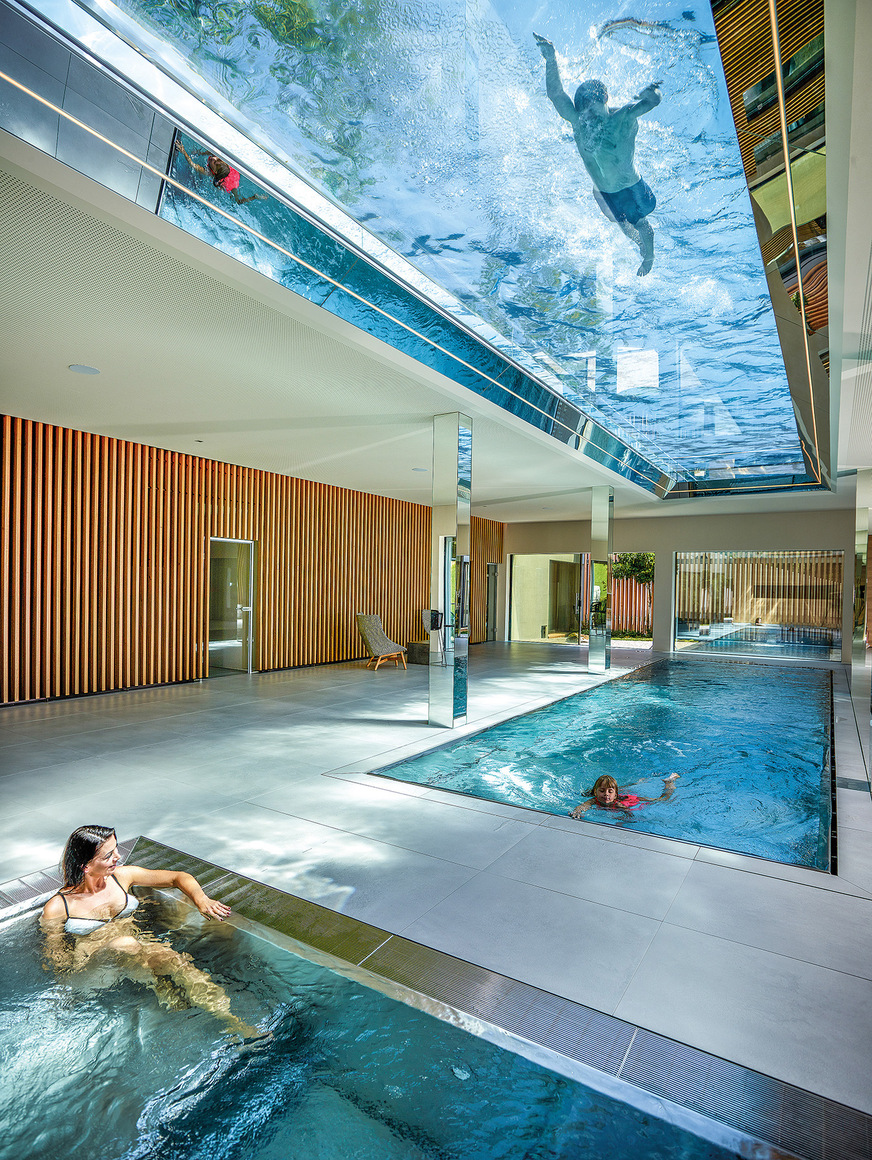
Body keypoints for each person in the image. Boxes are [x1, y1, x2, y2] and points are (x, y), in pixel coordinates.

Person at [41, 825, 260, 1038]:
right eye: (108, 855)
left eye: (116, 849)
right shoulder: (59, 906)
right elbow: (59, 965)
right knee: (125, 944)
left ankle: (233, 1022)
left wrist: (201, 899)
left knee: (176, 960)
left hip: (136, 950)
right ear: (85, 866)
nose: (118, 857)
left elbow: (178, 877)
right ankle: (161, 986)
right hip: (95, 970)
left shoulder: (122, 877)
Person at [534, 33, 661, 275]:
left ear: (606, 103)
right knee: (624, 227)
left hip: (630, 186)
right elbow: (556, 94)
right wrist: (550, 58)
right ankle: (641, 250)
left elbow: (653, 101)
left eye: (594, 113)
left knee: (642, 225)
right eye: (585, 115)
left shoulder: (622, 117)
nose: (589, 121)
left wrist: (651, 92)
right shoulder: (577, 121)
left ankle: (650, 256)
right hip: (604, 191)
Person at [174, 141, 268, 206]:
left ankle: (255, 197)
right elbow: (211, 152)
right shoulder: (219, 161)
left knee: (237, 200)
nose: (214, 158)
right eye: (217, 159)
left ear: (214, 171)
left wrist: (184, 151)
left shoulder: (209, 173)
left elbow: (193, 165)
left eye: (215, 162)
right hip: (229, 170)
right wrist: (200, 153)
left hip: (232, 181)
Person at [569, 772, 679, 819]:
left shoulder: (617, 804)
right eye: (602, 791)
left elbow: (627, 812)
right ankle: (638, 782)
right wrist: (577, 811)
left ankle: (669, 782)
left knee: (662, 800)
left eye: (610, 791)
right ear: (595, 792)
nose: (606, 794)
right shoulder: (594, 800)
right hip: (619, 795)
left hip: (629, 800)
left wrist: (624, 818)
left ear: (615, 794)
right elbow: (583, 806)